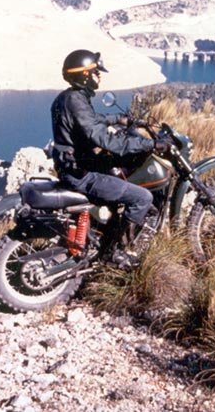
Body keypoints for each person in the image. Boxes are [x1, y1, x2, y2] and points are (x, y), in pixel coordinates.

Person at [50, 49, 168, 267]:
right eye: (95, 72)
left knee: (119, 171)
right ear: (84, 74)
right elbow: (105, 140)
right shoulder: (75, 100)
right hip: (81, 173)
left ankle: (106, 231)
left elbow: (90, 121)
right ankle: (114, 253)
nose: (99, 76)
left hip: (77, 165)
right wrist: (150, 144)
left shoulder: (68, 98)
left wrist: (119, 119)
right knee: (142, 198)